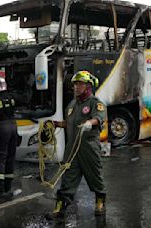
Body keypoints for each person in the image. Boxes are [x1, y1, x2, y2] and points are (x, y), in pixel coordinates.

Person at [47, 70, 107, 221]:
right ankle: (59, 208)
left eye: (80, 84)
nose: (76, 87)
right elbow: (69, 124)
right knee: (67, 178)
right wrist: (55, 124)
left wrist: (89, 123)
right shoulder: (72, 105)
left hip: (88, 148)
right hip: (72, 148)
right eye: (75, 84)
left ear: (88, 86)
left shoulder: (96, 103)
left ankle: (100, 202)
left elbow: (98, 118)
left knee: (95, 176)